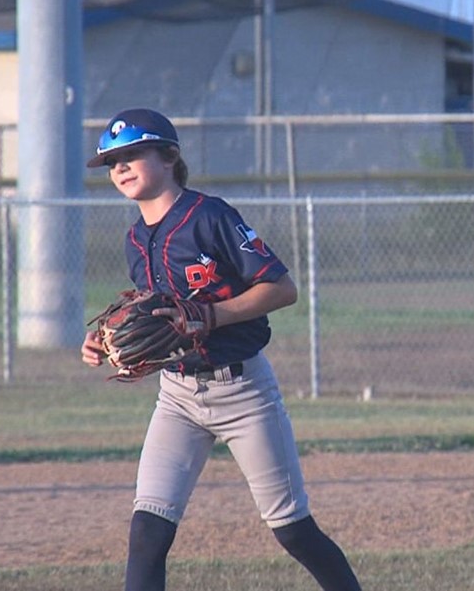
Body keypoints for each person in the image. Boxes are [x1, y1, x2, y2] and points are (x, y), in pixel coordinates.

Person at [80, 108, 363, 590]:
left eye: (132, 154)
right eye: (112, 161)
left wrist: (211, 316)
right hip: (178, 397)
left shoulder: (209, 216)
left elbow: (281, 288)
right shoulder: (134, 239)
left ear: (169, 157)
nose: (120, 167)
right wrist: (108, 340)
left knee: (293, 531)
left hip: (243, 392)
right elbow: (156, 315)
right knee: (148, 530)